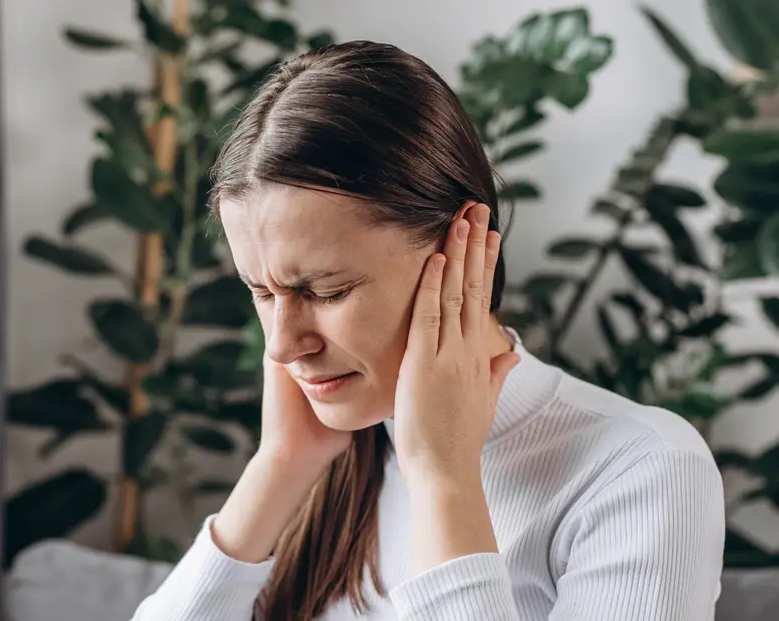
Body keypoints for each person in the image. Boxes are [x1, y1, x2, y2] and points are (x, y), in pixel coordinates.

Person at [131, 41, 724, 621]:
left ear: (460, 242)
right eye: (262, 292)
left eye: (327, 290)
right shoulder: (327, 457)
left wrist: (445, 480)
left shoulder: (640, 469)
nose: (282, 345)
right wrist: (278, 466)